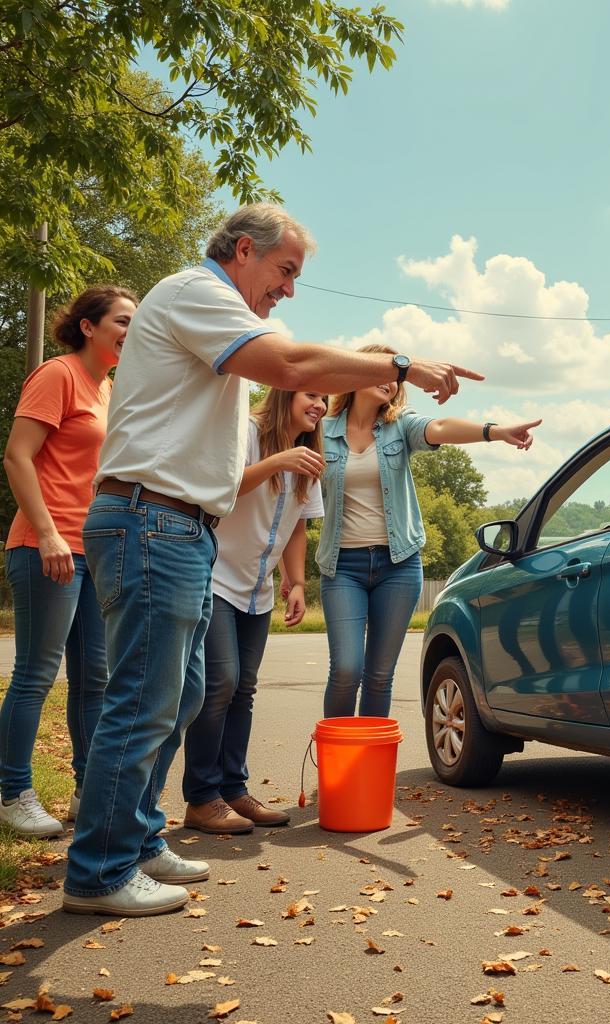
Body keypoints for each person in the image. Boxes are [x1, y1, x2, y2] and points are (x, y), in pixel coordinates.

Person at [62, 203, 482, 918]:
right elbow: (290, 364)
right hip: (150, 520)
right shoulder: (199, 294)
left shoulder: (215, 312)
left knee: (184, 695)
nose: (288, 289)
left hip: (181, 527)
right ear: (245, 250)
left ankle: (133, 839)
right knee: (142, 699)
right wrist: (400, 363)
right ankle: (98, 870)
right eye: (285, 271)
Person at [316, 342, 540, 719]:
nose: (390, 382)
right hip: (342, 568)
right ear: (358, 375)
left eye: (395, 379)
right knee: (346, 670)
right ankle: (335, 759)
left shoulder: (399, 427)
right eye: (384, 372)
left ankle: (367, 769)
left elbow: (439, 427)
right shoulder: (321, 431)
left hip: (398, 566)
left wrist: (495, 431)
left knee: (379, 676)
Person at [0, 285, 137, 837]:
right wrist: (51, 534)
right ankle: (13, 792)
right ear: (89, 326)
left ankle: (88, 790)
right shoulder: (58, 375)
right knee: (36, 674)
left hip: (93, 551)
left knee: (94, 679)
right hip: (45, 546)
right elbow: (17, 455)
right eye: (123, 321)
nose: (132, 331)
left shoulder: (108, 391)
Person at [182, 388, 326, 835]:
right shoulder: (245, 432)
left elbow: (298, 525)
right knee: (220, 682)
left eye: (325, 398)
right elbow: (222, 490)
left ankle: (233, 790)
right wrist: (278, 461)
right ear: (286, 394)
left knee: (243, 688)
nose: (320, 405)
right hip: (217, 576)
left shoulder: (310, 458)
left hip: (257, 588)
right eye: (311, 394)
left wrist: (296, 581)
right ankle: (202, 798)